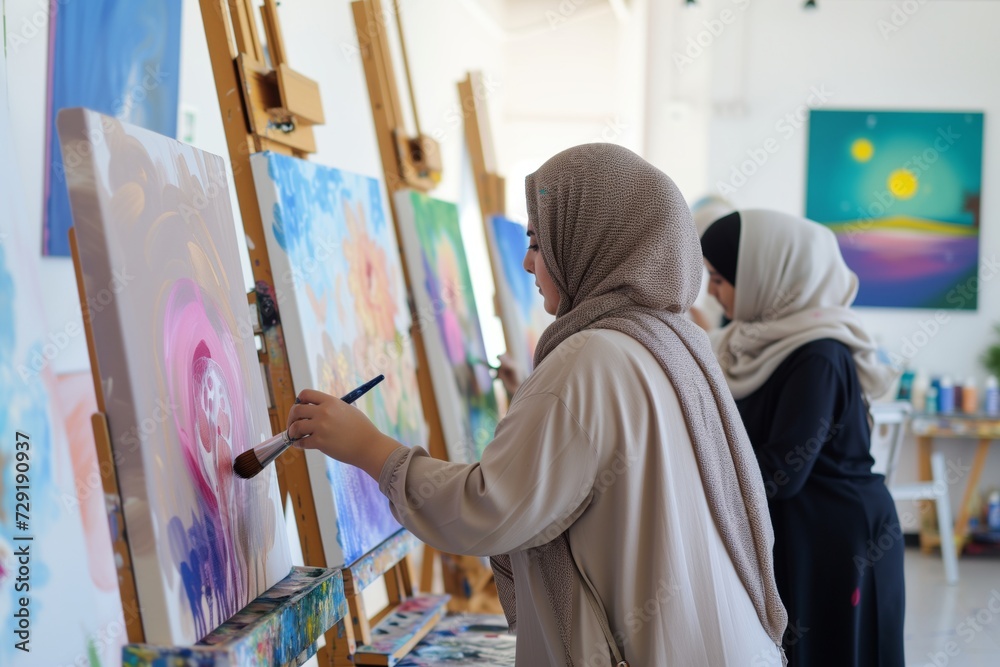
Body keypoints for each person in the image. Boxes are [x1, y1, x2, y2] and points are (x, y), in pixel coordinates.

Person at [287, 144, 787, 665]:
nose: (527, 262)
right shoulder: (673, 340)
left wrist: (371, 449)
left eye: (537, 242)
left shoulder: (590, 357)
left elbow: (489, 507)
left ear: (589, 240)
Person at [700, 209, 905, 666]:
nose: (711, 292)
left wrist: (691, 466)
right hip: (795, 530)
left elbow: (782, 471)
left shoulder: (818, 354)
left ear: (764, 277)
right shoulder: (742, 343)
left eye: (719, 279)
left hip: (836, 539)